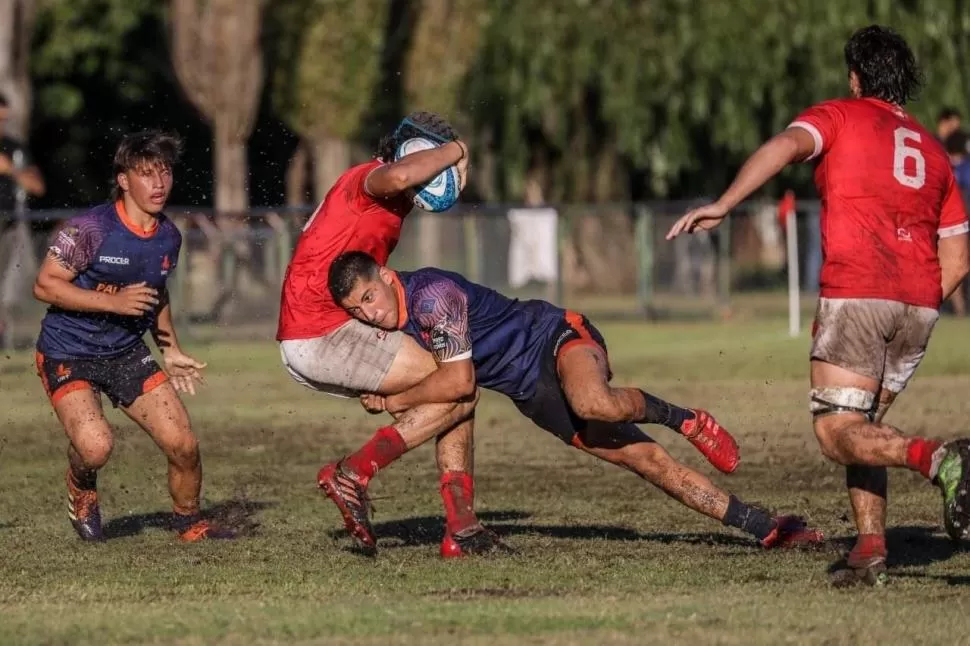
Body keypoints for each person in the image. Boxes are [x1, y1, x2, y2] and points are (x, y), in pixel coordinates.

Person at [665, 25, 970, 586]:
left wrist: (725, 204)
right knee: (864, 424)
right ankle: (870, 549)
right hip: (922, 303)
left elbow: (785, 147)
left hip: (859, 290)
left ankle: (936, 457)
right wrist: (919, 298)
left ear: (856, 76)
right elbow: (959, 258)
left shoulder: (839, 114)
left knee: (836, 432)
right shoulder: (933, 150)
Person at [325, 250, 825, 554]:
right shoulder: (395, 323)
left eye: (370, 297)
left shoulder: (434, 296)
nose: (369, 314)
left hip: (554, 336)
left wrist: (396, 398)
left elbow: (457, 384)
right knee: (646, 461)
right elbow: (450, 394)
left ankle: (687, 418)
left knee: (594, 402)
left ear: (387, 276)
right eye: (357, 310)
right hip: (534, 394)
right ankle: (763, 527)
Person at [276, 112, 492, 557]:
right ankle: (353, 474)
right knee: (457, 383)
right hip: (320, 331)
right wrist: (458, 150)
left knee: (456, 386)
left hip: (318, 331)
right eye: (432, 158)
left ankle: (461, 527)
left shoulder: (391, 199)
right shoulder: (370, 180)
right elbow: (402, 172)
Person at [32, 130, 233, 543]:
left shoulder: (168, 236)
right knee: (96, 447)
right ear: (123, 179)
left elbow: (155, 294)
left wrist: (170, 348)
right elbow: (46, 286)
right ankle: (81, 485)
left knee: (183, 444)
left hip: (125, 352)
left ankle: (188, 522)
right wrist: (113, 303)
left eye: (164, 173)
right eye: (146, 174)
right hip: (67, 351)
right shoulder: (90, 228)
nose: (158, 184)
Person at [0, 91, 46, 347]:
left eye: (3, 119)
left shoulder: (14, 149)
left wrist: (11, 171)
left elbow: (37, 187)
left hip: (7, 224)